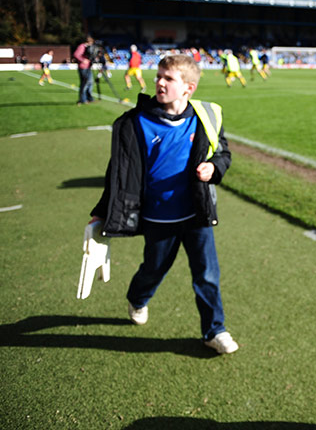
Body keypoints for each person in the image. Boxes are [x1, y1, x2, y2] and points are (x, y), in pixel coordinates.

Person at [89, 54, 238, 355]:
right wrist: (100, 212)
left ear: (188, 88)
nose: (159, 82)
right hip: (158, 218)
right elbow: (117, 174)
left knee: (207, 275)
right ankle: (137, 298)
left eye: (168, 78)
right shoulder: (135, 122)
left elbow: (223, 153)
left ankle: (214, 330)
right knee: (153, 270)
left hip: (197, 214)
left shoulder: (206, 116)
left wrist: (214, 168)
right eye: (159, 76)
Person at [74, 36, 95, 105]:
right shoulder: (82, 46)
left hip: (88, 67)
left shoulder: (89, 47)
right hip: (83, 67)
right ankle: (83, 99)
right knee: (85, 83)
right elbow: (76, 54)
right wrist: (83, 60)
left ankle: (89, 97)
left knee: (90, 82)